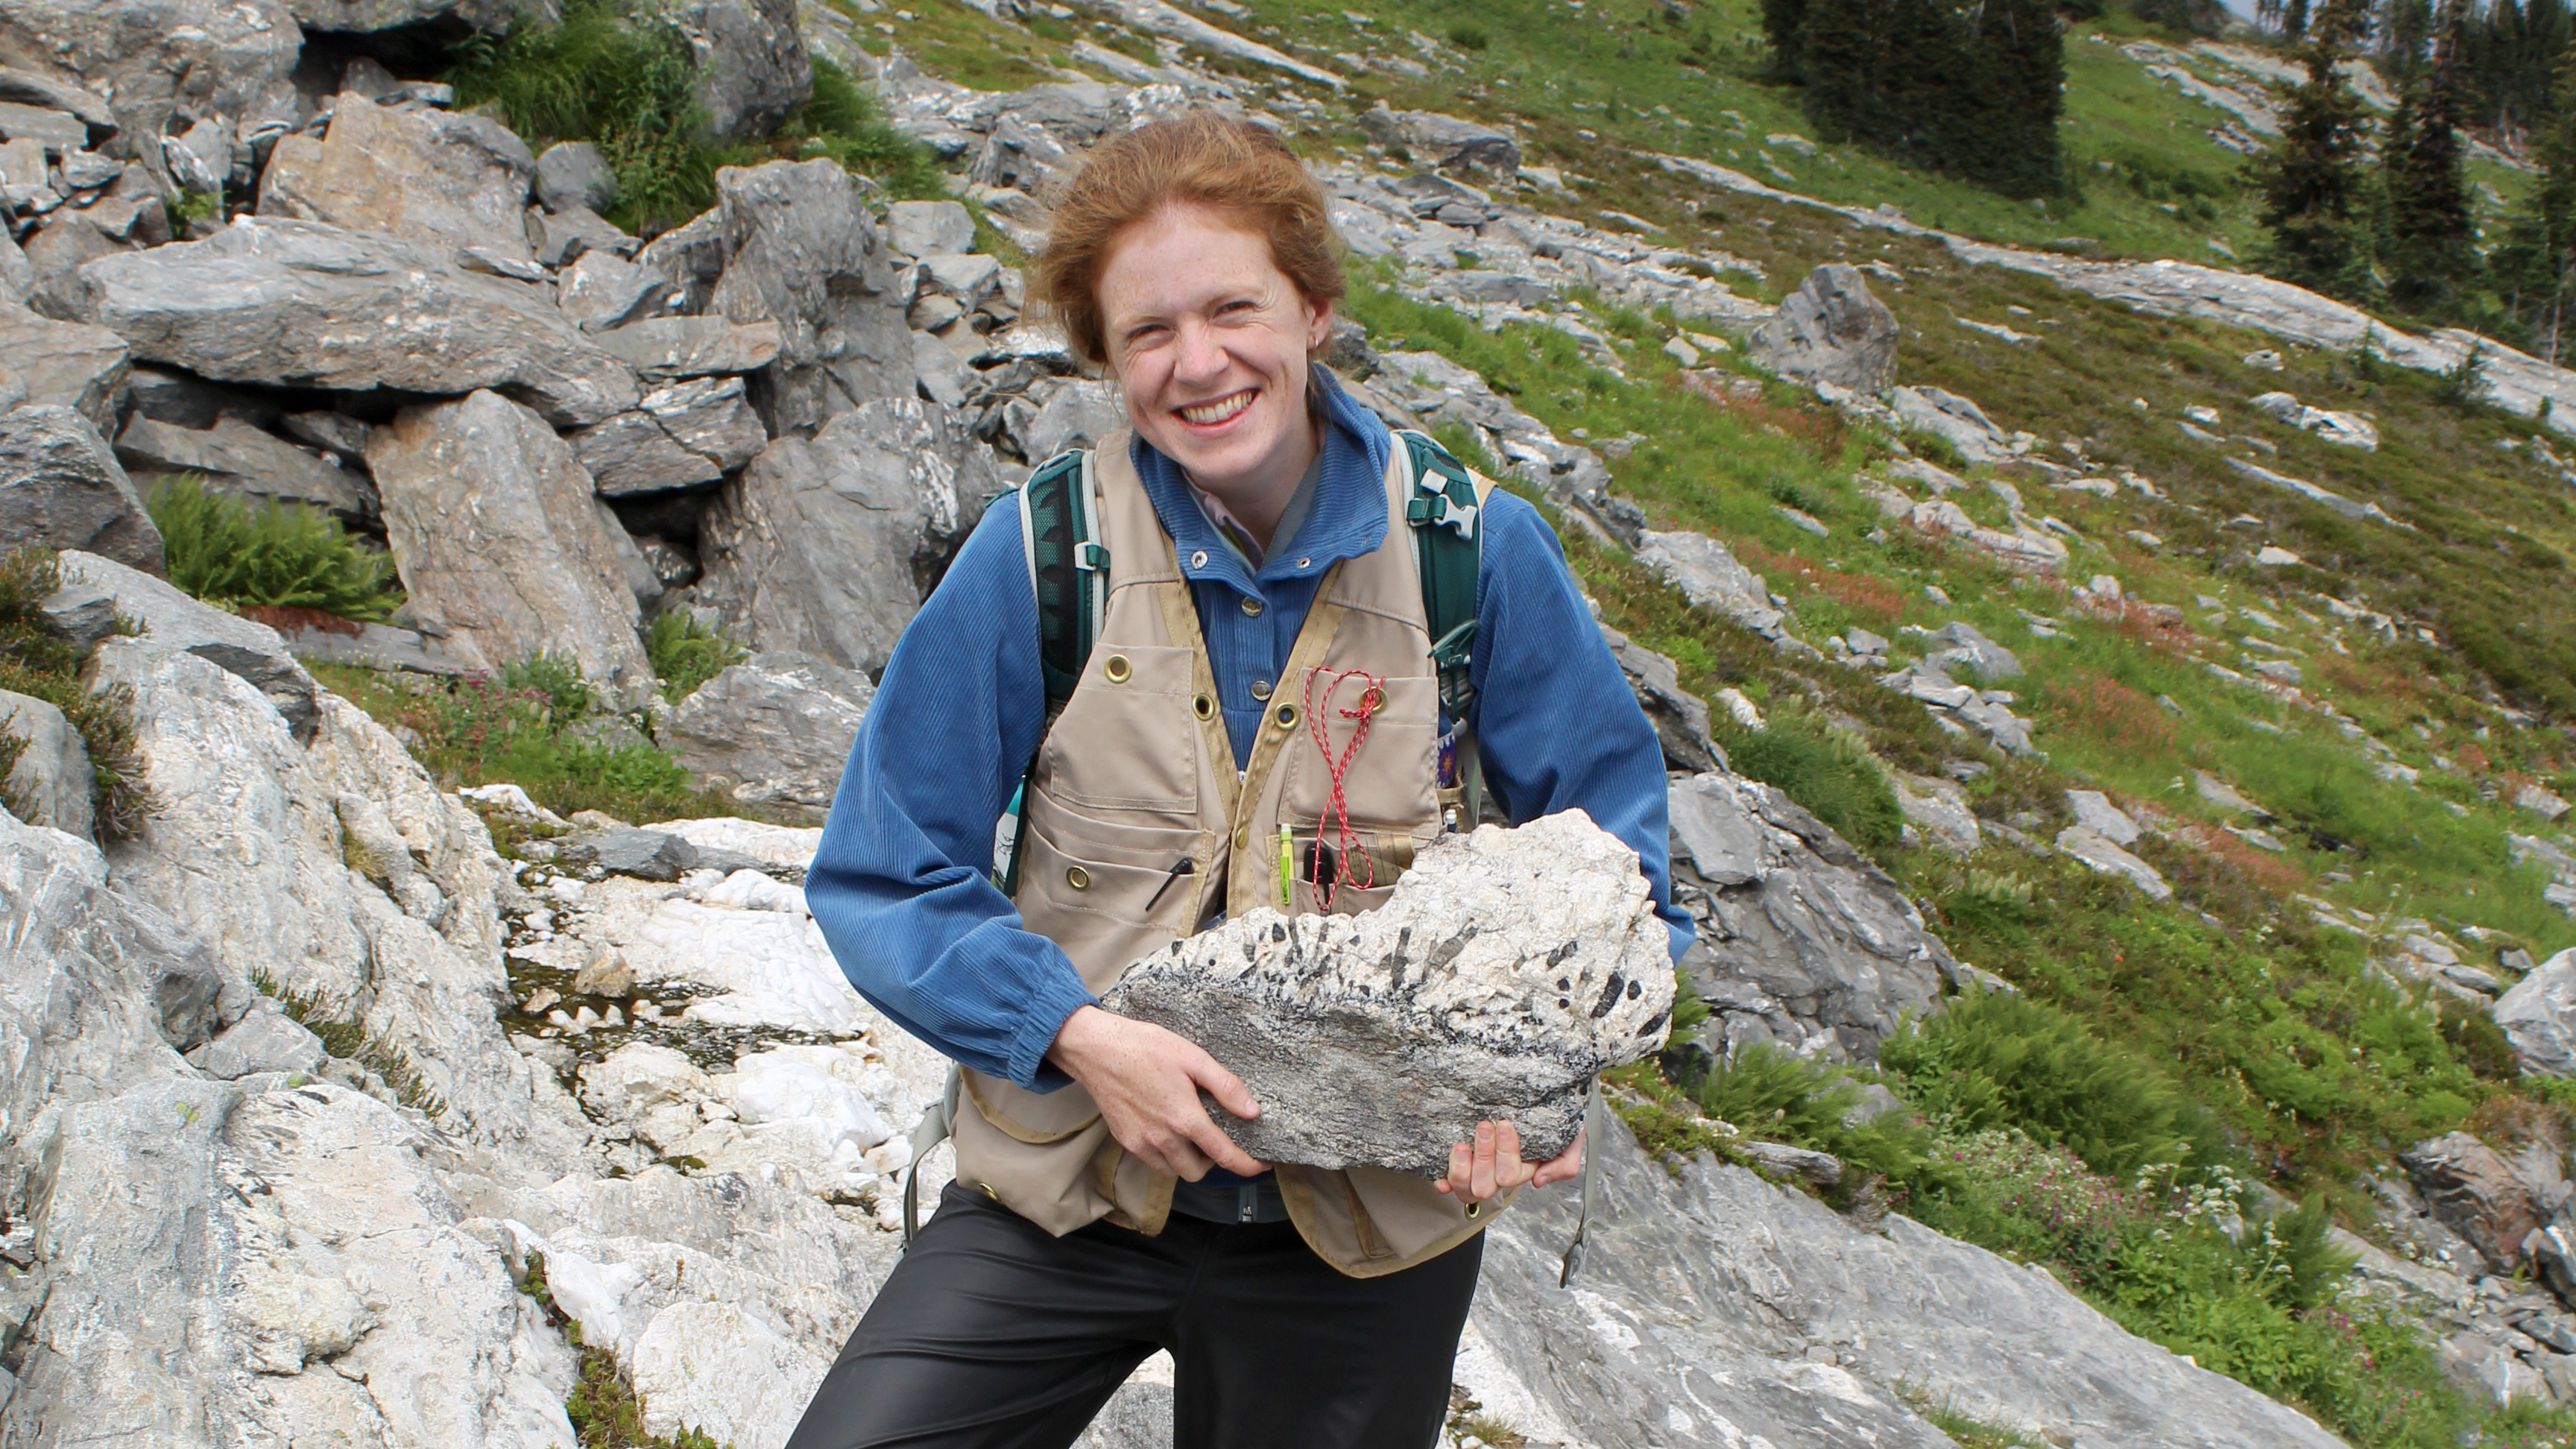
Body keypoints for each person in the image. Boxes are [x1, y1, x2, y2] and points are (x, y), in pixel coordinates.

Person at [792, 110, 1690, 1449]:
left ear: (1316, 311)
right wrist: (1078, 1040)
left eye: (1234, 309)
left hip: (1366, 1233)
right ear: (1106, 357)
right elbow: (883, 871)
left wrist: (1551, 1075)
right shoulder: (1043, 553)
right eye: (1148, 332)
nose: (1197, 363)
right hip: (1069, 1190)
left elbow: (1624, 874)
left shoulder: (1475, 556)